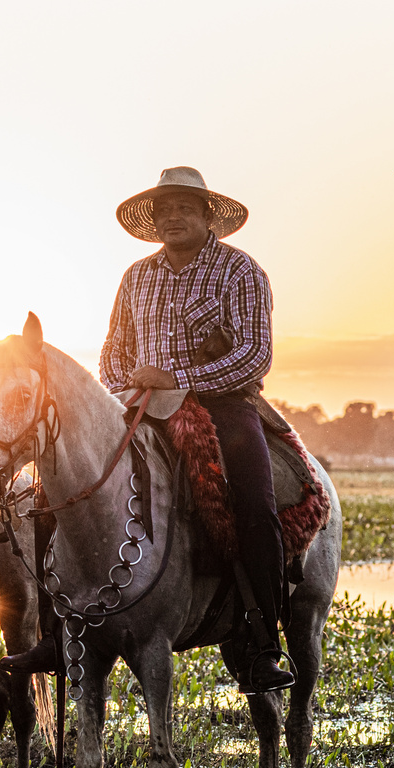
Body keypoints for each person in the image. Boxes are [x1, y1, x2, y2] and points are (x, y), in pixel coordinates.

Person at [99, 166, 292, 694]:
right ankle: (67, 620)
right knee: (74, 484)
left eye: (185, 208)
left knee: (253, 503)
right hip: (139, 406)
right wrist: (126, 387)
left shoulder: (240, 271)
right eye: (164, 210)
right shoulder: (137, 276)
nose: (173, 218)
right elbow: (113, 351)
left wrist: (179, 379)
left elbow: (254, 355)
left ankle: (261, 641)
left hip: (222, 405)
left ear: (209, 216)